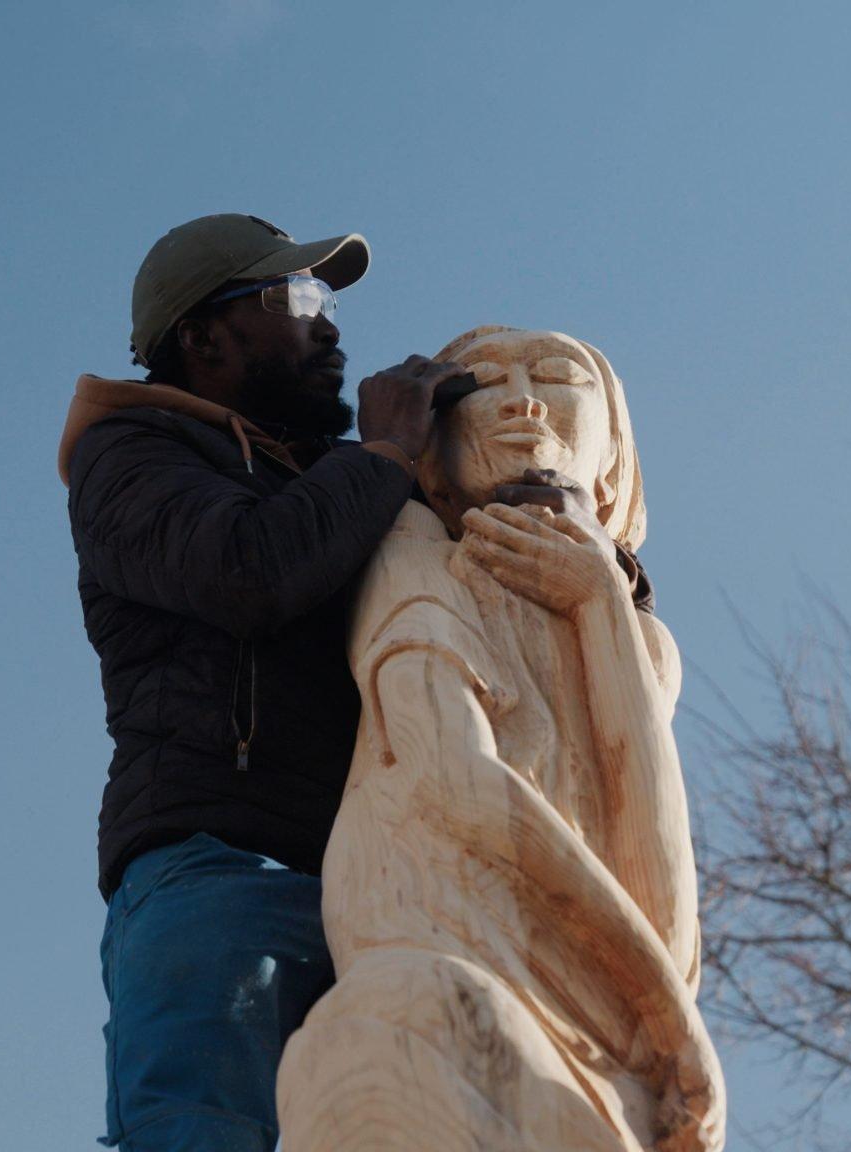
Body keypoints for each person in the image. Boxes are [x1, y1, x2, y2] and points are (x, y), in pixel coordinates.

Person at [59, 213, 477, 1151]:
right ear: (202, 338)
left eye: (326, 299)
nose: (327, 325)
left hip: (386, 884)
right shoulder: (129, 458)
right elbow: (248, 571)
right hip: (222, 876)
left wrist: (558, 533)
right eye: (296, 298)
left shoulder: (353, 484)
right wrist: (383, 457)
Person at [275, 327, 723, 1152]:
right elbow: (456, 779)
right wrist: (666, 1013)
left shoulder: (638, 641)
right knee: (380, 1046)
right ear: (434, 459)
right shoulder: (414, 556)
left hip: (612, 1030)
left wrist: (600, 607)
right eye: (483, 382)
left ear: (615, 459)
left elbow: (663, 907)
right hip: (448, 972)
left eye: (555, 377)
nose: (521, 398)